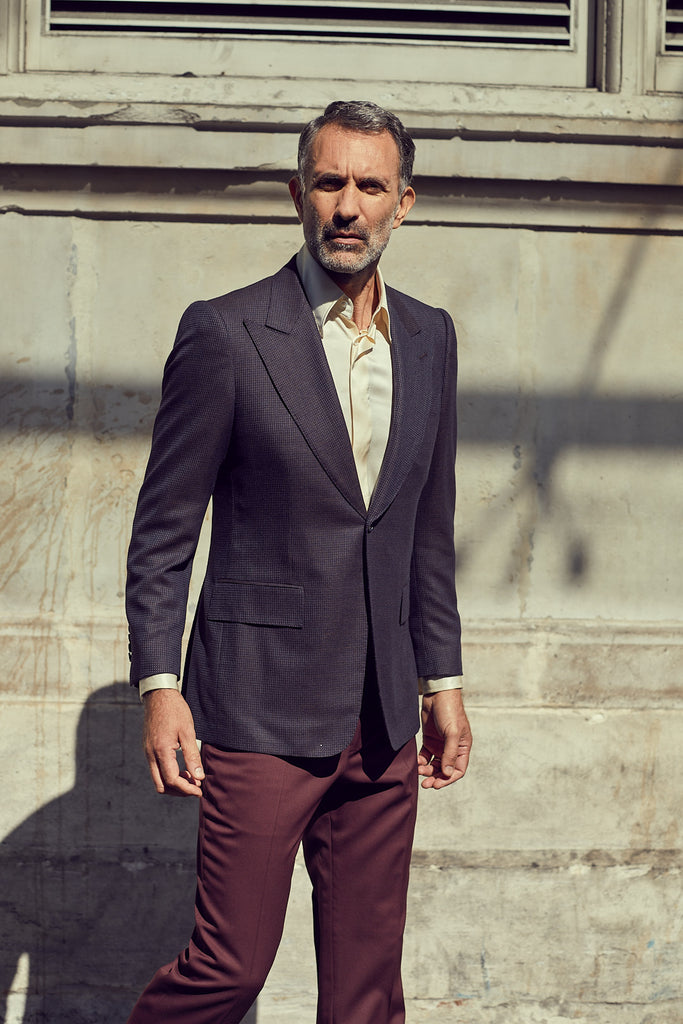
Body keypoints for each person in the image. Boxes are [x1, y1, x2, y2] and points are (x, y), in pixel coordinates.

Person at [125, 99, 472, 1024]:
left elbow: (426, 530)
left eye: (370, 186)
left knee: (366, 993)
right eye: (329, 183)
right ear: (296, 195)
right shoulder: (227, 332)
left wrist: (442, 681)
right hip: (258, 706)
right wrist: (161, 686)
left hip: (383, 714)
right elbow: (164, 532)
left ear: (404, 202)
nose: (348, 206)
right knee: (228, 970)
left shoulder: (430, 337)